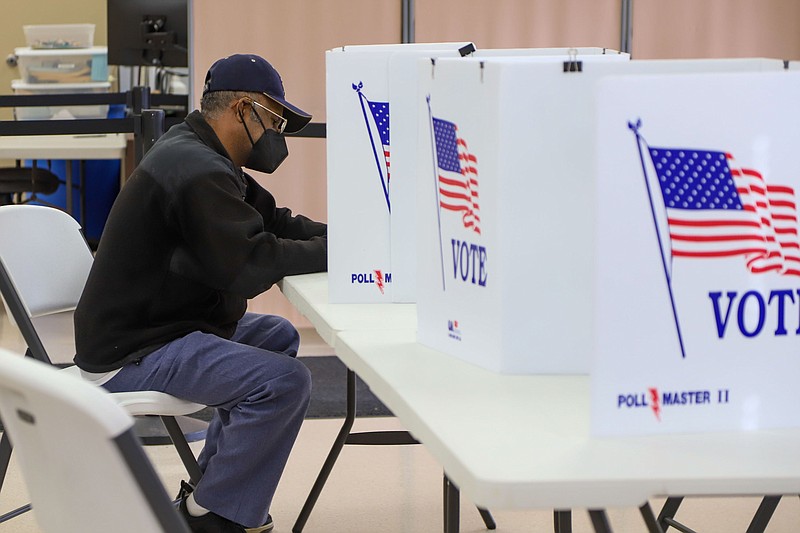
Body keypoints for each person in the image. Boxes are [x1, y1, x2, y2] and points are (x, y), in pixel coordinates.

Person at [73, 54, 327, 533]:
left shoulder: (199, 150)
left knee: (274, 334)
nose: (278, 134)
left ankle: (208, 492)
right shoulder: (196, 168)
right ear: (241, 110)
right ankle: (217, 517)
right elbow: (251, 263)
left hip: (154, 327)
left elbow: (274, 223)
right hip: (133, 352)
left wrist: (348, 243)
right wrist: (332, 252)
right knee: (285, 382)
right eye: (274, 119)